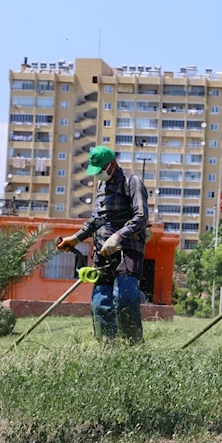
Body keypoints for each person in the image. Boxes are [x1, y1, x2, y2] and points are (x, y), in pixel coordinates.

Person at [57, 146, 149, 344]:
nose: (98, 174)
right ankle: (108, 347)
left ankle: (132, 345)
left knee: (124, 297)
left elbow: (141, 217)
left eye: (100, 170)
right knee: (101, 303)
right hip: (102, 254)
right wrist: (76, 238)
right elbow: (94, 221)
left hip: (127, 251)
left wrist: (117, 237)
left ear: (112, 165)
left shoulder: (132, 182)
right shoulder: (101, 188)